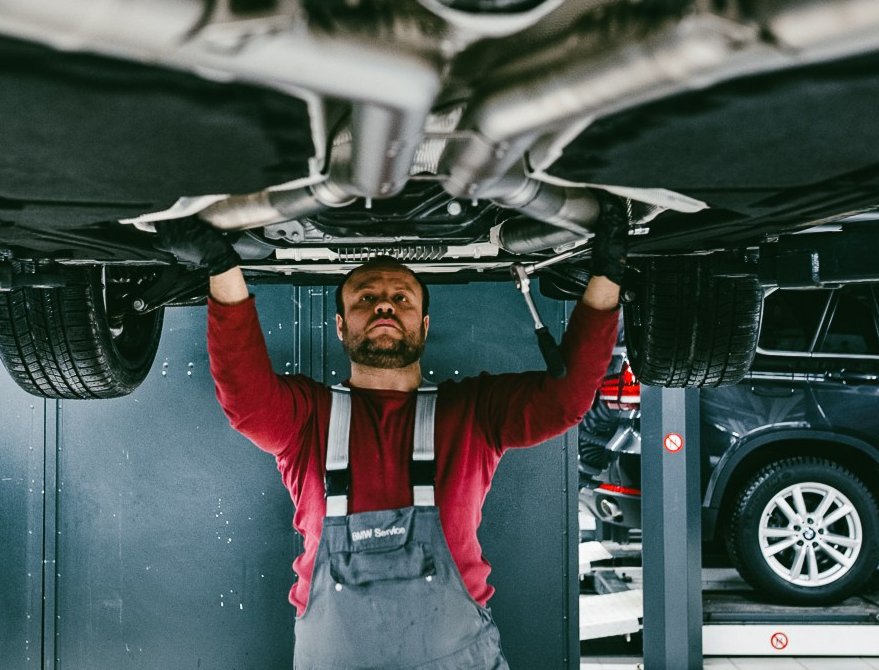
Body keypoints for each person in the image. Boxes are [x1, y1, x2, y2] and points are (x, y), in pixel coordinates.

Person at [157, 197, 627, 670]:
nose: (384, 303)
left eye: (401, 298)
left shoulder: (473, 414)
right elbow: (245, 395)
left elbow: (566, 399)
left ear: (423, 325)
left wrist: (608, 272)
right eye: (365, 298)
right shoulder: (306, 419)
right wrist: (221, 266)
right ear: (341, 327)